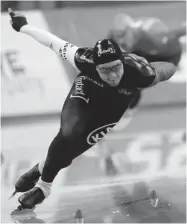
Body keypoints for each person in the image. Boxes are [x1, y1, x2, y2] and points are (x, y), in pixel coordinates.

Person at [8, 8, 176, 211]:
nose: (112, 75)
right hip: (87, 88)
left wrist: (167, 65)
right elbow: (53, 42)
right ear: (95, 66)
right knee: (70, 131)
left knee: (74, 147)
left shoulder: (141, 72)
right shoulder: (83, 58)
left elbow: (168, 69)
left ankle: (40, 168)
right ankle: (44, 188)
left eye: (115, 68)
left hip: (114, 104)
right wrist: (24, 26)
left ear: (122, 61)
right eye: (105, 70)